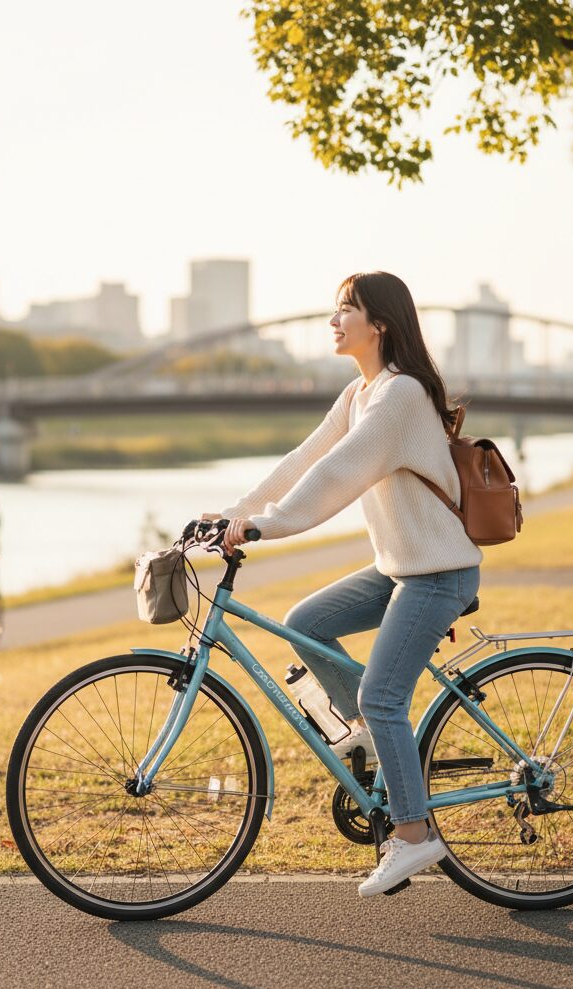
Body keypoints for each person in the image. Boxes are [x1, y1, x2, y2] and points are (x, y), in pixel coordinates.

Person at [198, 271, 481, 897]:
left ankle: (414, 836)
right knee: (306, 623)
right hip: (400, 568)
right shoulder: (361, 393)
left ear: (379, 323)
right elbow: (304, 457)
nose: (333, 319)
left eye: (344, 309)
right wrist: (232, 513)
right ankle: (378, 743)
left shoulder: (400, 396)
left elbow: (338, 473)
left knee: (383, 698)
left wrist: (267, 527)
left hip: (437, 573)